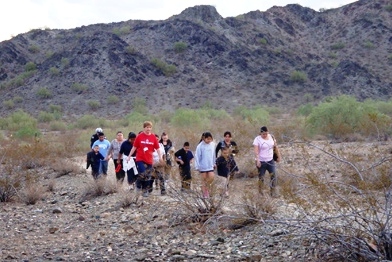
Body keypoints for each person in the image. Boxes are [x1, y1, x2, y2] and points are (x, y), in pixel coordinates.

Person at [127, 121, 163, 197]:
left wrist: (160, 157)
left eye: (150, 127)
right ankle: (138, 186)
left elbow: (158, 148)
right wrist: (129, 156)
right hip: (140, 158)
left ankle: (144, 190)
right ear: (144, 128)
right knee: (143, 172)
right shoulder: (139, 136)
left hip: (149, 159)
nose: (148, 129)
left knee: (148, 175)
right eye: (147, 127)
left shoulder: (153, 137)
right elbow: (134, 147)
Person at [253, 126, 281, 197]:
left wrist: (278, 156)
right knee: (261, 177)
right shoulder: (257, 139)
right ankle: (260, 192)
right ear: (260, 133)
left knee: (273, 176)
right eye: (263, 134)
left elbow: (275, 147)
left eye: (266, 133)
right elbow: (256, 151)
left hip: (270, 160)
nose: (265, 135)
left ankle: (272, 192)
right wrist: (258, 160)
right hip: (261, 161)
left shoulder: (272, 137)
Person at [195, 132, 216, 198]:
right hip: (202, 165)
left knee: (211, 177)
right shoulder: (200, 146)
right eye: (207, 139)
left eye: (210, 139)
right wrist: (197, 166)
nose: (209, 140)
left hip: (210, 165)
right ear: (204, 138)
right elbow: (197, 156)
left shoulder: (212, 144)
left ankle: (208, 189)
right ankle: (205, 193)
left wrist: (214, 162)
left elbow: (213, 155)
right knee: (203, 180)